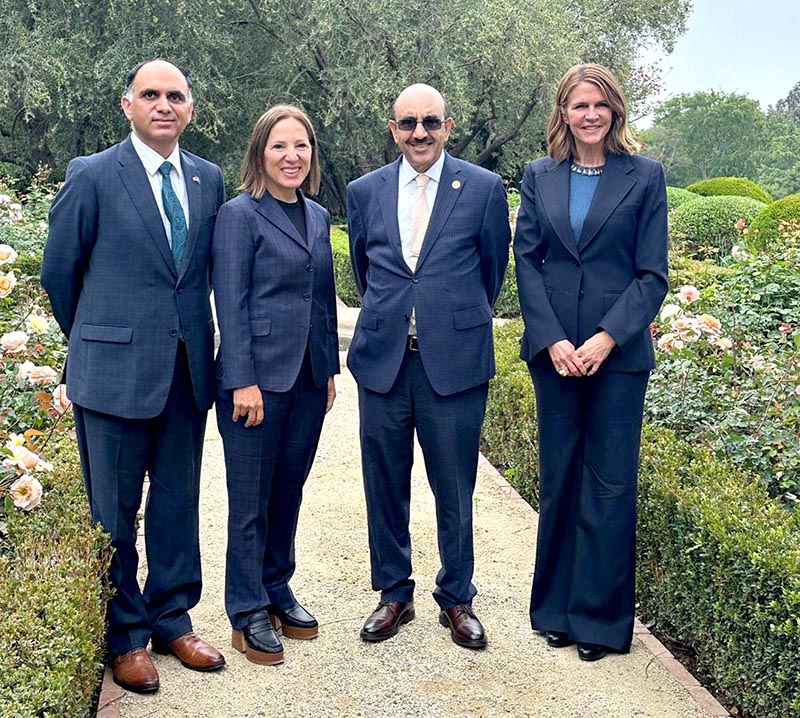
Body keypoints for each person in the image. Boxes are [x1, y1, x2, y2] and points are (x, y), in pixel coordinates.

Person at [41, 60, 226, 693]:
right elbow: (59, 274)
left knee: (177, 504)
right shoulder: (92, 176)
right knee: (114, 512)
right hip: (112, 374)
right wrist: (97, 339)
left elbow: (198, 276)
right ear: (128, 105)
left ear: (190, 109)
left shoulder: (208, 179)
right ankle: (125, 636)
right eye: (151, 95)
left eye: (176, 95)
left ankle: (173, 617)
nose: (164, 105)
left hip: (186, 375)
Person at [347, 83, 510, 649]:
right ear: (393, 129)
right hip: (384, 362)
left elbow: (492, 271)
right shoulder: (364, 191)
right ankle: (394, 593)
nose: (420, 132)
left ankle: (457, 596)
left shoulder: (485, 189)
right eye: (408, 123)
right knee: (384, 482)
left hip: (455, 362)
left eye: (431, 122)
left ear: (448, 126)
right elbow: (366, 272)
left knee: (454, 484)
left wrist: (446, 316)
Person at [514, 63, 669, 661]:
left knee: (607, 487)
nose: (590, 115)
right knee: (559, 481)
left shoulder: (645, 177)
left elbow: (652, 274)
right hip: (553, 356)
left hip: (618, 358)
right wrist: (551, 339)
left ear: (615, 112)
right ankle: (554, 611)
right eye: (579, 106)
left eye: (600, 105)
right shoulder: (538, 176)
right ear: (564, 113)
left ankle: (599, 624)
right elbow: (528, 261)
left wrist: (606, 339)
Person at [212, 105, 339, 666]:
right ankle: (245, 610)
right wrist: (242, 379)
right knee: (250, 500)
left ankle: (276, 585)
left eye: (302, 146)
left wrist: (330, 368)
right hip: (255, 383)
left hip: (308, 378)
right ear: (260, 154)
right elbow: (231, 301)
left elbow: (323, 298)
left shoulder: (316, 214)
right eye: (279, 147)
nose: (292, 157)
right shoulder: (239, 215)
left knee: (288, 491)